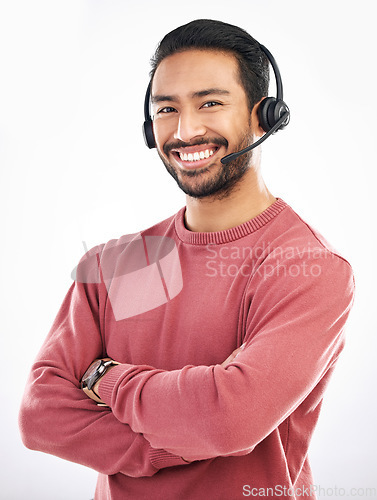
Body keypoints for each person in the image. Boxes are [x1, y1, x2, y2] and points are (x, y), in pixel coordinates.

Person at [19, 19, 355, 500]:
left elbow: (229, 420)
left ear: (266, 116)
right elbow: (40, 416)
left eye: (210, 103)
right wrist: (172, 442)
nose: (185, 130)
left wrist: (104, 377)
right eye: (166, 110)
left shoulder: (307, 267)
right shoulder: (118, 263)